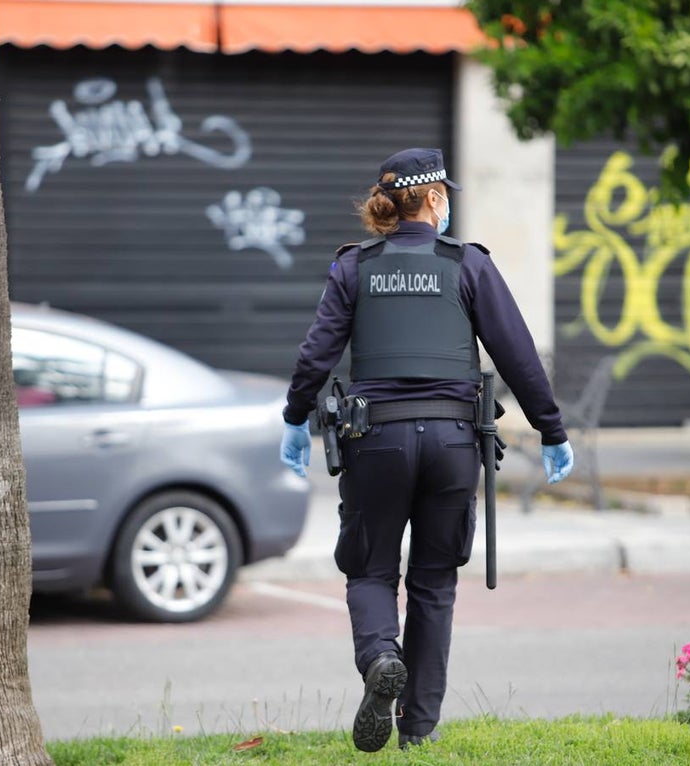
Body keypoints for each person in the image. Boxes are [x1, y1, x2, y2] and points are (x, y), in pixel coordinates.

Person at [278, 148, 574, 752]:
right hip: (454, 441)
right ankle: (417, 730)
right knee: (434, 584)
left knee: (369, 568)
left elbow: (317, 354)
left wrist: (294, 418)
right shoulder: (469, 265)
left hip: (374, 441)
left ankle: (381, 658)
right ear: (434, 199)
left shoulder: (354, 268)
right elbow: (516, 353)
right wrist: (551, 429)